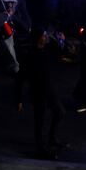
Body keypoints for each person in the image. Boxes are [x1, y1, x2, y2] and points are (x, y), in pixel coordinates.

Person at [15, 27, 66, 160]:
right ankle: (41, 149)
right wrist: (18, 99)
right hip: (37, 92)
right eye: (44, 35)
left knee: (60, 112)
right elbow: (20, 78)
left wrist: (61, 41)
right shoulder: (30, 55)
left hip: (49, 89)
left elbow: (62, 53)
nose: (46, 37)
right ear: (38, 38)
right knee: (40, 122)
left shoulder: (47, 49)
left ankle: (52, 138)